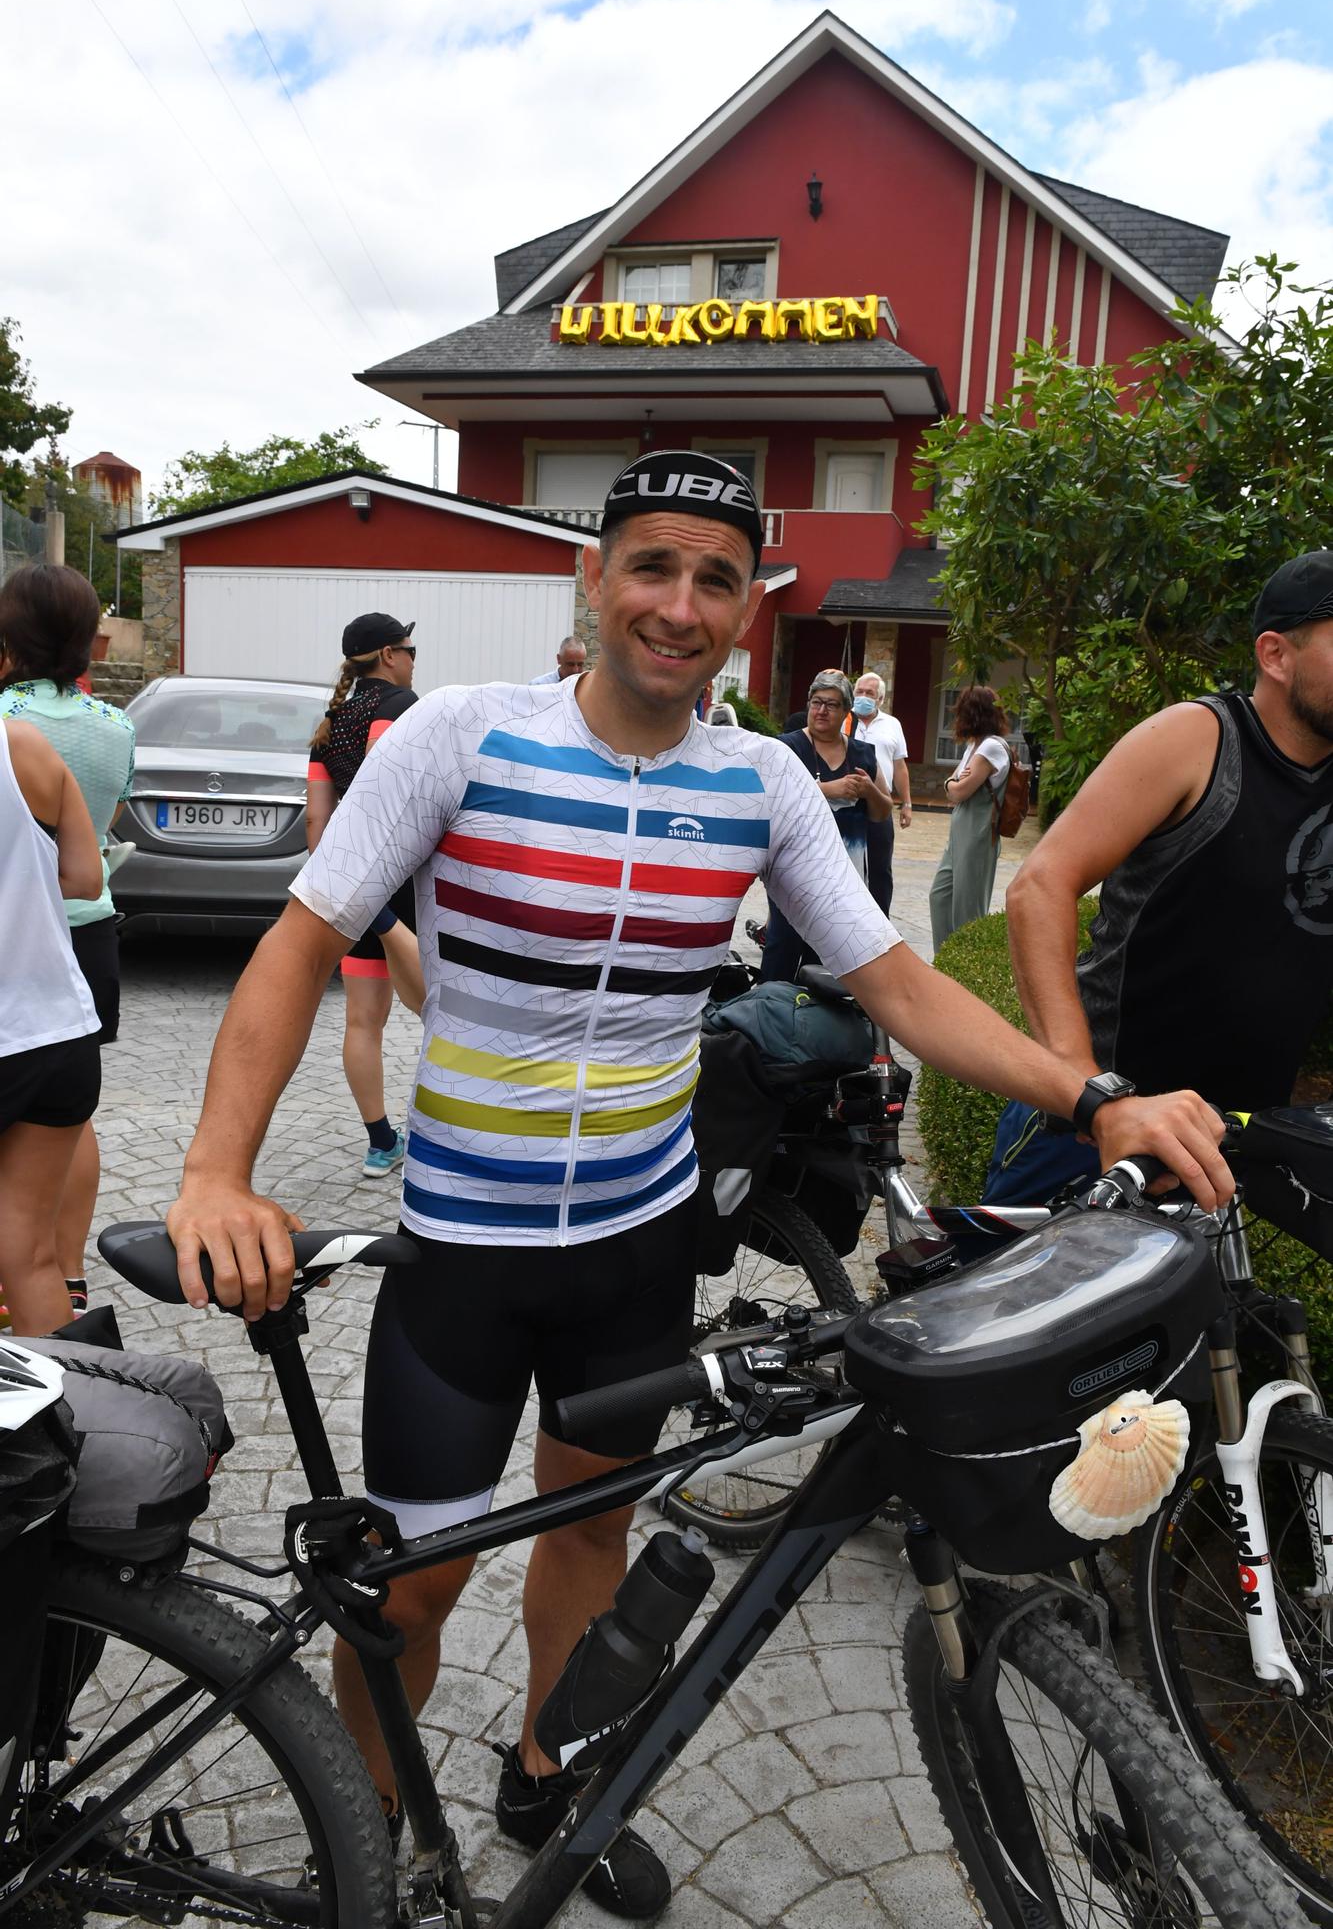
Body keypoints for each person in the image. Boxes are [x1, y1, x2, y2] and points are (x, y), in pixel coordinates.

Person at [163, 449, 1230, 1919]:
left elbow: (897, 980)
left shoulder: (761, 780)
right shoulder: (458, 737)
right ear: (592, 582)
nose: (678, 603)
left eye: (715, 578)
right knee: (412, 1587)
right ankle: (366, 1826)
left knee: (594, 1534)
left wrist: (1090, 1091)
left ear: (748, 612)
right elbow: (298, 943)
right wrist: (218, 1171)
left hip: (636, 1247)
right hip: (458, 1256)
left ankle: (545, 1771)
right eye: (651, 567)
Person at [984, 548, 1333, 1206]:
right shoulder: (1197, 740)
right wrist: (1084, 1090)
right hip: (1099, 1136)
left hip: (1231, 1141)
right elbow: (1040, 885)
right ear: (1274, 656)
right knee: (1009, 1305)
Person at [0, 564, 136, 1314]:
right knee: (67, 1126)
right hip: (79, 951)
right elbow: (98, 838)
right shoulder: (115, 725)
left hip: (15, 953)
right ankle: (71, 1273)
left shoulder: (9, 720)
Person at [0, 715, 104, 1334]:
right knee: (31, 1257)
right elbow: (87, 878)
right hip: (54, 1028)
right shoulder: (25, 744)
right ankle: (57, 1428)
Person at [306, 613, 419, 1177]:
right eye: (410, 648)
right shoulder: (399, 707)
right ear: (389, 656)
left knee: (361, 1022)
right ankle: (444, 1134)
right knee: (444, 1015)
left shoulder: (329, 724)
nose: (414, 659)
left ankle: (381, 1141)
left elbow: (315, 822)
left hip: (354, 894)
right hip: (405, 888)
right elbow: (391, 801)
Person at [758, 669, 891, 982]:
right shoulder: (786, 748)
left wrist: (869, 790)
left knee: (831, 956)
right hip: (794, 873)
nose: (821, 710)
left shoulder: (862, 753)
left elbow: (882, 812)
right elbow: (769, 797)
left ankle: (822, 1022)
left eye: (831, 705)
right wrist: (829, 789)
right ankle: (767, 1017)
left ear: (846, 712)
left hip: (845, 878)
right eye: (816, 702)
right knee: (784, 948)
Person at [928, 684, 1011, 954]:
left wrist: (951, 783)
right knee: (940, 896)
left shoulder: (991, 748)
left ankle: (965, 968)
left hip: (978, 834)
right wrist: (952, 783)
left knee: (968, 909)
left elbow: (958, 791)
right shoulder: (975, 745)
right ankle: (946, 961)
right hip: (961, 832)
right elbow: (954, 783)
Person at [848, 670, 912, 915]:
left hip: (880, 802)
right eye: (859, 692)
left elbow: (899, 766)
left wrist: (907, 803)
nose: (863, 697)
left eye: (869, 693)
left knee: (880, 866)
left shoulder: (892, 725)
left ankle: (880, 921)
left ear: (881, 699)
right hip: (846, 801)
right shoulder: (843, 719)